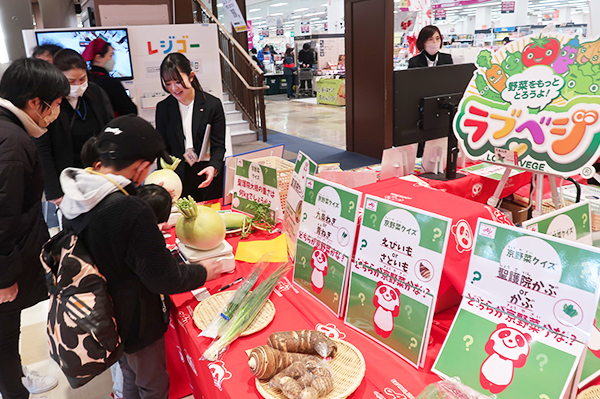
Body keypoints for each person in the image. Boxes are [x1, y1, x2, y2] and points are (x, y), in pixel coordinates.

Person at [59, 115, 224, 398]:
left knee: (130, 377)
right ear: (141, 165)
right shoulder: (130, 210)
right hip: (135, 319)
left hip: (105, 314)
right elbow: (164, 278)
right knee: (153, 384)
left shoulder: (77, 194)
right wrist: (205, 271)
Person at [0, 57, 69, 399]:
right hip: (3, 268)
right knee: (4, 333)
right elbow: (3, 217)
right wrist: (4, 278)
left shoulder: (7, 132)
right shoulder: (13, 144)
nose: (55, 113)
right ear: (33, 103)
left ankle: (15, 377)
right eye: (55, 104)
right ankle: (15, 389)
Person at [34, 48, 115, 206]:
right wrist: (53, 191)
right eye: (71, 81)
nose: (78, 85)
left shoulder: (95, 92)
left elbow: (110, 130)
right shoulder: (49, 102)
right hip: (67, 178)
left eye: (82, 79)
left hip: (99, 173)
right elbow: (42, 148)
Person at [155, 53, 226, 202]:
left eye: (178, 81)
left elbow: (218, 145)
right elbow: (162, 149)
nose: (174, 88)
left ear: (191, 76)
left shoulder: (212, 105)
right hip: (178, 178)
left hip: (207, 173)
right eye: (168, 83)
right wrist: (164, 177)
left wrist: (214, 167)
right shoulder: (163, 108)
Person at [82, 37, 138, 117]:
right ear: (98, 58)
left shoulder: (85, 80)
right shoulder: (109, 83)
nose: (113, 60)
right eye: (111, 55)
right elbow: (130, 111)